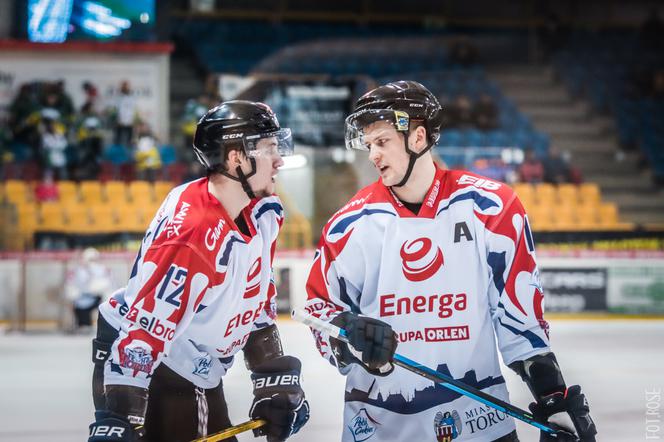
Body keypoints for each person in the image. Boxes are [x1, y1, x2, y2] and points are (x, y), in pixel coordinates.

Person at [304, 81, 597, 441]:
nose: (372, 156)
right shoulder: (347, 227)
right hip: (381, 427)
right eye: (368, 145)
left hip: (480, 423)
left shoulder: (491, 207)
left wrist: (553, 398)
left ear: (418, 137)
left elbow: (520, 322)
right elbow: (318, 311)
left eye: (381, 142)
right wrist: (347, 333)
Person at [88, 101, 310, 442]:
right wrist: (120, 417)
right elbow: (144, 333)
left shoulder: (263, 211)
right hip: (158, 365)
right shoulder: (193, 232)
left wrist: (270, 372)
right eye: (269, 149)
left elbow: (256, 292)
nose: (279, 160)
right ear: (237, 158)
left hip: (192, 364)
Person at [65, 248, 113, 331]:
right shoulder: (78, 270)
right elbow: (73, 285)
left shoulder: (102, 269)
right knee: (78, 302)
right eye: (90, 259)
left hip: (98, 296)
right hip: (82, 296)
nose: (91, 262)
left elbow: (107, 284)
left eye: (93, 259)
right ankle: (82, 325)